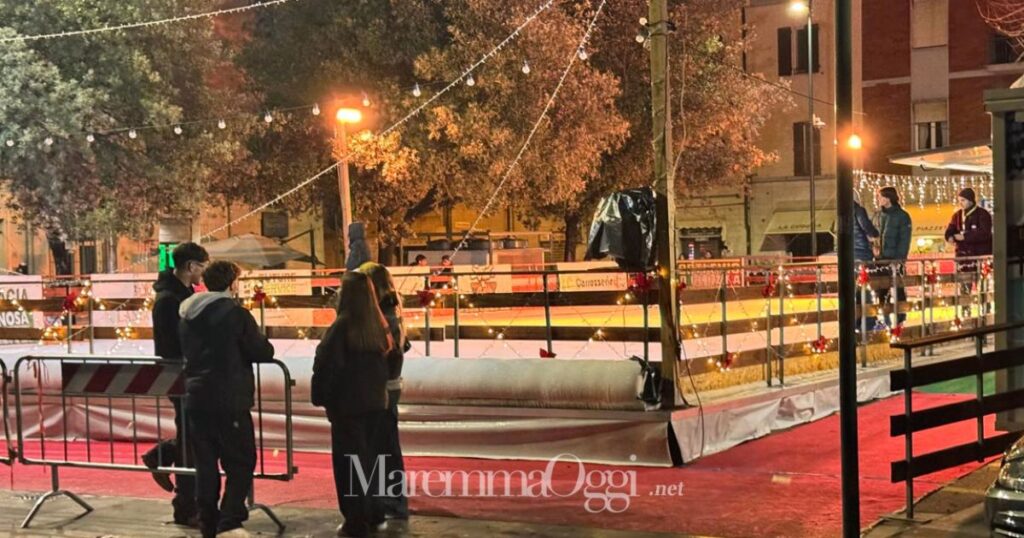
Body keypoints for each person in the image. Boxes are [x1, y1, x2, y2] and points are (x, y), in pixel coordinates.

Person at [179, 261, 275, 538]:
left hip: (196, 395)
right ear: (232, 283)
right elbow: (260, 350)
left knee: (205, 463)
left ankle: (207, 519)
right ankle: (230, 518)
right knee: (241, 460)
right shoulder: (235, 314)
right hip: (229, 397)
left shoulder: (187, 314)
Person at [312, 271, 392, 538]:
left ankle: (355, 519)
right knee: (371, 459)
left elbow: (327, 366)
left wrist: (322, 397)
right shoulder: (378, 324)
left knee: (349, 463)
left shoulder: (342, 326)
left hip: (348, 406)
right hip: (375, 402)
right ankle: (375, 511)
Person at [142, 242, 208, 526]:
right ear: (191, 266)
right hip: (180, 374)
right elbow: (171, 343)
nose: (203, 273)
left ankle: (162, 454)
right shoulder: (171, 300)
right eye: (202, 267)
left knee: (193, 436)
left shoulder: (181, 294)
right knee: (190, 441)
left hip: (185, 373)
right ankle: (185, 506)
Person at [359, 262, 410, 521]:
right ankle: (390, 499)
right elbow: (404, 345)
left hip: (381, 388)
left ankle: (390, 500)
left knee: (382, 445)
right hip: (391, 384)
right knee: (386, 443)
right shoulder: (393, 309)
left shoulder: (381, 315)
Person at [944, 187, 993, 314]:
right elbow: (950, 229)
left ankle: (985, 312)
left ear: (970, 200)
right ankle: (966, 312)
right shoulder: (957, 216)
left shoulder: (983, 214)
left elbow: (985, 233)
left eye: (963, 200)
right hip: (963, 258)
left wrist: (965, 236)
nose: (960, 203)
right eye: (959, 200)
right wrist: (949, 236)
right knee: (965, 287)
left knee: (982, 287)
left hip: (980, 257)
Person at [874, 186, 913, 327]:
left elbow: (904, 240)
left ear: (888, 198)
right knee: (881, 291)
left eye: (880, 197)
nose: (878, 199)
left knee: (898, 290)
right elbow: (875, 235)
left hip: (895, 260)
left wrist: (899, 260)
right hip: (880, 260)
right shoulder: (878, 215)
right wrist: (875, 249)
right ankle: (884, 319)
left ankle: (901, 319)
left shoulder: (902, 216)